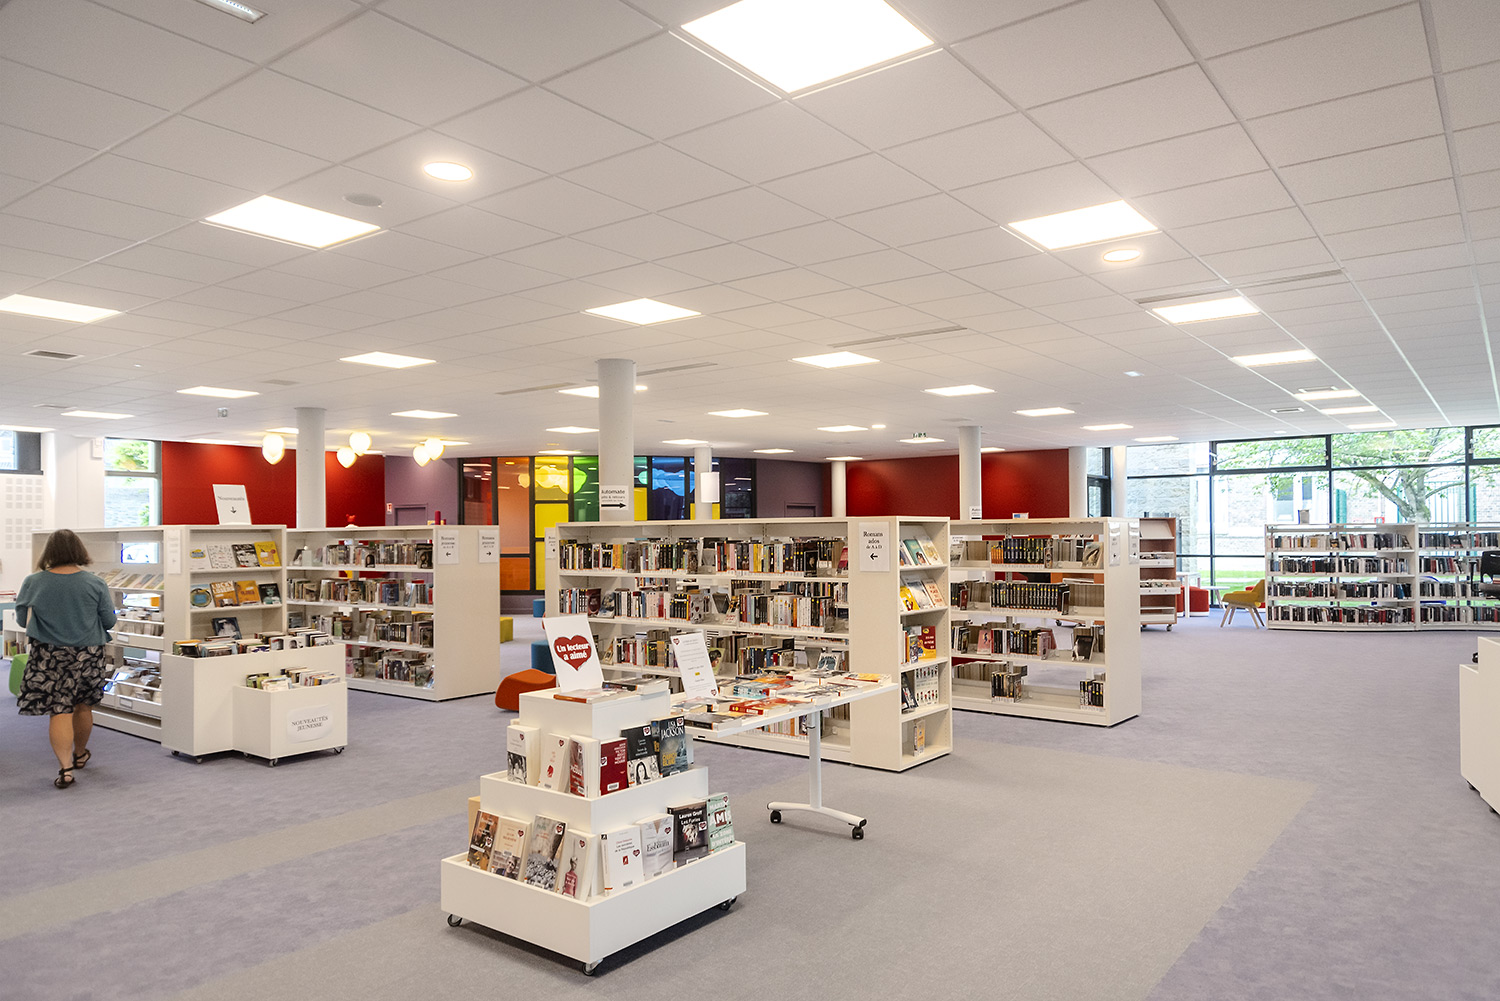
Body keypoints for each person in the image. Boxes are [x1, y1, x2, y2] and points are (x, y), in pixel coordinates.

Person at [14, 529, 117, 789]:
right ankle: (80, 754)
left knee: (59, 711)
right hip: (87, 654)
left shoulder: (33, 582)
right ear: (79, 551)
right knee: (83, 706)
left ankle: (66, 769)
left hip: (49, 654)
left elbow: (21, 620)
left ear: (48, 552)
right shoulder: (95, 583)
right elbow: (109, 621)